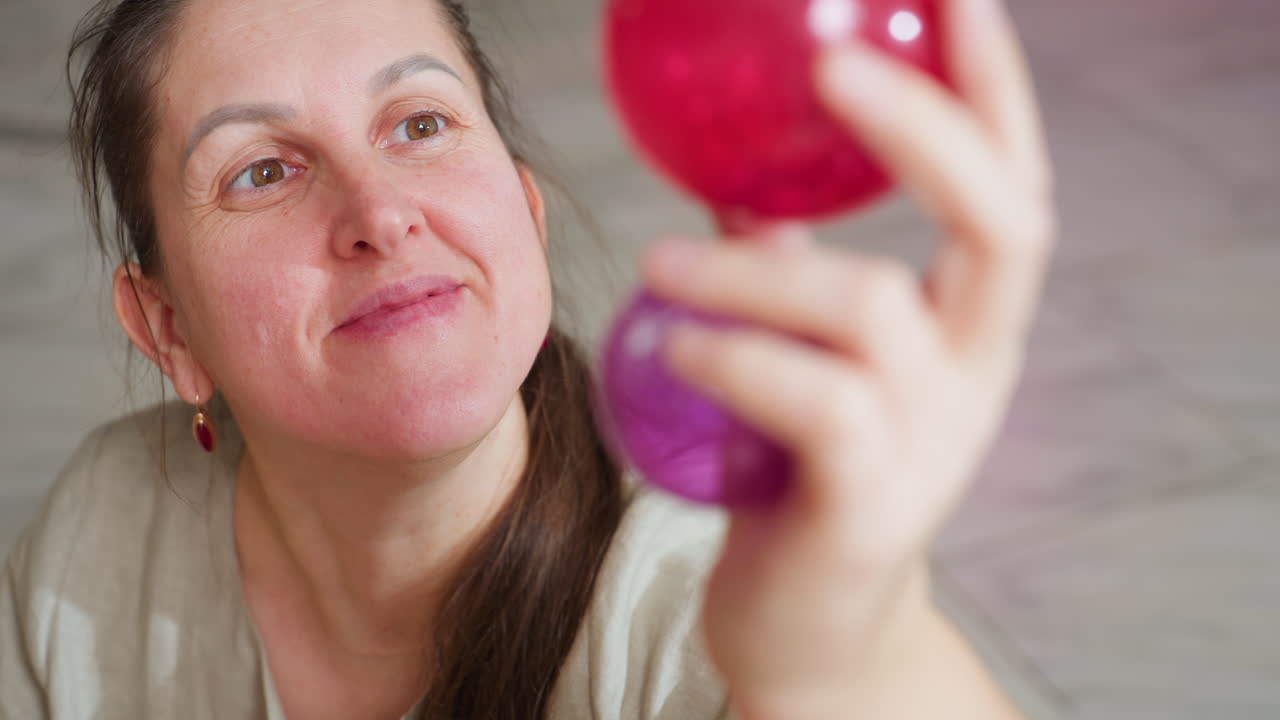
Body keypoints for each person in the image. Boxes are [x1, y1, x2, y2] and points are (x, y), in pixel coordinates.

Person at [0, 0, 1055, 716]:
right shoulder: (107, 529)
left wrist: (836, 659)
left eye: (418, 124)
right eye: (264, 170)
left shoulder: (695, 610)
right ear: (167, 330)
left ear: (525, 212)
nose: (381, 214)